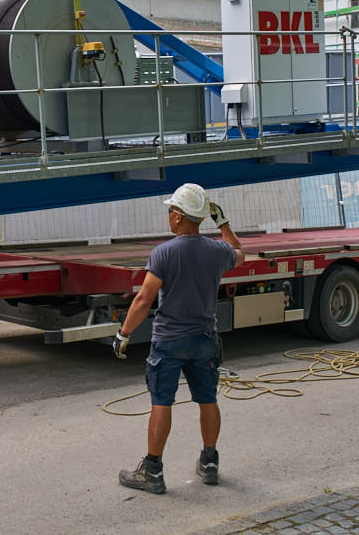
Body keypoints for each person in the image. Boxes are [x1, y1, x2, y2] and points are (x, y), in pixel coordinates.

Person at [112, 182, 245, 494]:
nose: (169, 215)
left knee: (162, 402)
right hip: (204, 339)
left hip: (169, 340)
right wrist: (222, 221)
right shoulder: (217, 251)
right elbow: (240, 252)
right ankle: (210, 462)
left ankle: (153, 471)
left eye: (171, 210)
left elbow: (143, 299)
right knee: (208, 399)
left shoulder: (163, 253)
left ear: (178, 217)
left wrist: (123, 334)